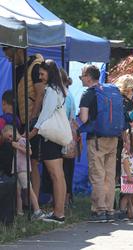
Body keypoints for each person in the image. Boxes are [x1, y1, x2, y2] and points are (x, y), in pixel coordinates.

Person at [2, 47, 45, 201]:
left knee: (32, 163)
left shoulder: (35, 67)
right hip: (21, 123)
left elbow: (40, 93)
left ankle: (34, 203)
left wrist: (32, 120)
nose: (9, 59)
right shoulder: (18, 68)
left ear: (18, 50)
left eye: (9, 55)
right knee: (22, 164)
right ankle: (25, 202)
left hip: (33, 124)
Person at [79, 65, 119, 223]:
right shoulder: (108, 90)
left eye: (82, 76)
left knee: (97, 174)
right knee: (109, 175)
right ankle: (109, 209)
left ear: (88, 77)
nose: (81, 79)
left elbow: (83, 118)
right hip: (113, 138)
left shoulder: (88, 94)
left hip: (96, 139)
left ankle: (99, 210)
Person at [29, 59, 67, 224]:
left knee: (56, 175)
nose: (40, 75)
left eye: (42, 73)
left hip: (49, 137)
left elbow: (45, 114)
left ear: (49, 73)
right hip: (55, 137)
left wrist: (32, 132)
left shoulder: (51, 91)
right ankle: (60, 212)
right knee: (59, 175)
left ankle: (58, 214)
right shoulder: (59, 89)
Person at [2, 125, 45, 219]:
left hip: (23, 169)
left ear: (14, 131)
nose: (10, 139)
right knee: (18, 191)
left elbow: (29, 152)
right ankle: (19, 211)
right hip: (17, 169)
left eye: (10, 136)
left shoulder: (23, 140)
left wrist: (17, 146)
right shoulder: (17, 142)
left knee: (28, 189)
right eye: (8, 139)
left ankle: (37, 210)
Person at [115, 74, 133, 183]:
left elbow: (129, 117)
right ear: (129, 89)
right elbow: (132, 122)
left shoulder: (117, 99)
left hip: (116, 137)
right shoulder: (126, 102)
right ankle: (118, 196)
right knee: (118, 171)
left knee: (116, 170)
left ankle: (114, 197)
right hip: (122, 141)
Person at [60, 68, 76, 207]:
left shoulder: (61, 94)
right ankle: (67, 198)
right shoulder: (70, 95)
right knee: (68, 169)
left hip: (60, 135)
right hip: (70, 136)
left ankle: (61, 200)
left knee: (60, 170)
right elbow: (73, 118)